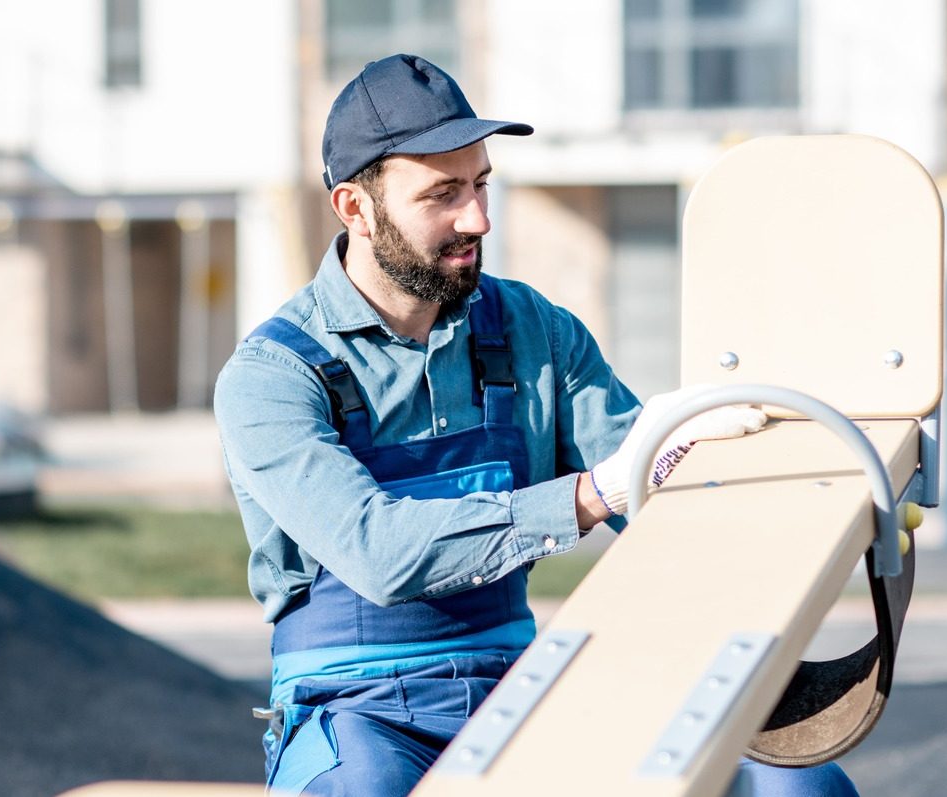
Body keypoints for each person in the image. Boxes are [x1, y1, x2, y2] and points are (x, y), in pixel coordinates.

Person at [213, 53, 858, 797]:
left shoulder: (534, 331)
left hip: (521, 695)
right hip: (355, 714)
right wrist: (591, 493)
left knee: (795, 789)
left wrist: (802, 487)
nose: (478, 219)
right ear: (354, 208)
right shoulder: (272, 377)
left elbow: (664, 495)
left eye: (482, 184)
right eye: (443, 194)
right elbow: (379, 551)